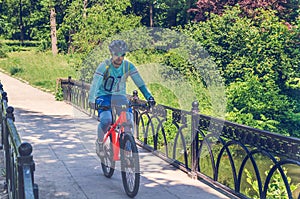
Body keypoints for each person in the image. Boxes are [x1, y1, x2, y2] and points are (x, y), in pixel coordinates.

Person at [88, 40, 155, 156]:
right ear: (111, 53)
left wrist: (149, 97)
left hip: (120, 97)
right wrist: (92, 100)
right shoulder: (104, 66)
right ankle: (99, 143)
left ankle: (128, 145)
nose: (119, 57)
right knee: (106, 120)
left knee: (129, 120)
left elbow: (140, 83)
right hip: (104, 96)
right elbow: (95, 83)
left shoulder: (128, 66)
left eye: (122, 54)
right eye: (117, 54)